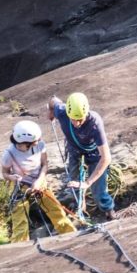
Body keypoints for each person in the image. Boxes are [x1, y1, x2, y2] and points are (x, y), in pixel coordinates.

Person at [1, 120, 77, 242]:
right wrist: (12, 177)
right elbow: (5, 173)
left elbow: (45, 165)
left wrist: (39, 181)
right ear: (23, 142)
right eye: (34, 141)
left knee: (56, 211)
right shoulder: (9, 154)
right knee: (19, 221)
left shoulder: (40, 145)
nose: (38, 142)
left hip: (39, 182)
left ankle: (71, 236)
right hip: (19, 187)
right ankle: (19, 248)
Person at [47, 92, 116, 220]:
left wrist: (88, 182)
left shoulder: (95, 123)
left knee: (98, 191)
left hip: (94, 153)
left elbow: (106, 157)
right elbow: (53, 100)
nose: (77, 123)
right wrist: (51, 113)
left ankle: (109, 211)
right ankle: (81, 208)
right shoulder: (62, 112)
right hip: (74, 150)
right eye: (73, 119)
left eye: (80, 119)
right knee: (74, 184)